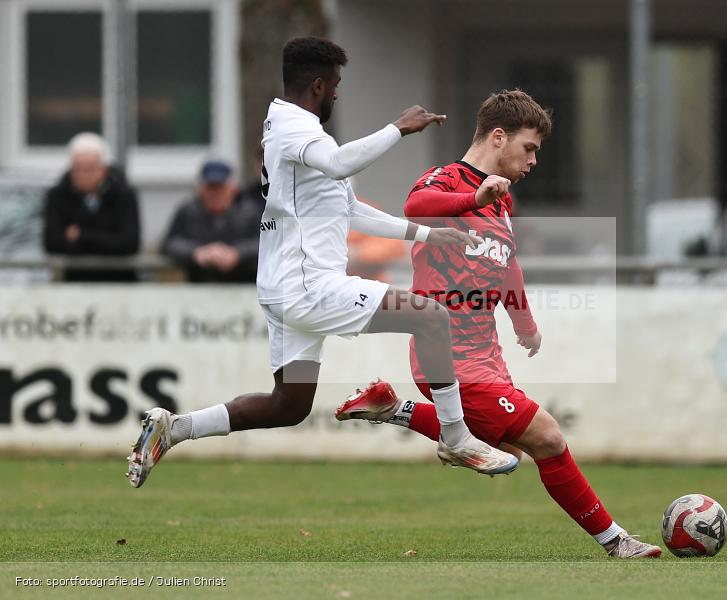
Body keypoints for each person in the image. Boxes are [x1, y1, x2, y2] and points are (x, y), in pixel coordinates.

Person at [127, 36, 518, 487]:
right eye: (335, 85)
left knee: (287, 406)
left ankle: (174, 428)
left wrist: (429, 234)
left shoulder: (293, 131)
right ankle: (455, 437)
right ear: (317, 84)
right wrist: (398, 128)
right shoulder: (297, 130)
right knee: (431, 317)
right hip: (309, 285)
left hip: (286, 287)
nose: (336, 93)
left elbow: (351, 209)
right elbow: (336, 164)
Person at [334, 90, 662, 559]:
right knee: (549, 437)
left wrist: (523, 321)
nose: (532, 161)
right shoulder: (448, 178)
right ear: (498, 136)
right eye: (528, 149)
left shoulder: (502, 204)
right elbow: (416, 207)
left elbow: (508, 265)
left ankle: (391, 407)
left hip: (486, 354)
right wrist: (473, 195)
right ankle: (617, 541)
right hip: (447, 353)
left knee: (515, 451)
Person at [43, 132, 140, 281]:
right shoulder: (58, 195)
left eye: (90, 169)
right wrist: (106, 238)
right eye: (78, 169)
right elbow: (52, 242)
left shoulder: (123, 195)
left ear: (104, 169)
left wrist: (81, 236)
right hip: (74, 283)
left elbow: (129, 244)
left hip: (118, 283)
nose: (84, 175)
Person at [162, 159, 261, 283]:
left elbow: (264, 243)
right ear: (200, 189)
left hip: (243, 284)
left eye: (220, 187)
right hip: (199, 285)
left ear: (232, 189)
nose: (215, 193)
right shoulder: (188, 211)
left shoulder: (250, 211)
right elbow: (170, 243)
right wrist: (196, 252)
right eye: (210, 187)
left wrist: (238, 253)